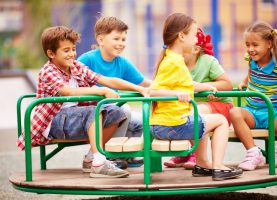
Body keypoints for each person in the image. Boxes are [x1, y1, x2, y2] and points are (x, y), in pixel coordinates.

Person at [16, 26, 148, 178]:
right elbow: (67, 91)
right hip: (53, 121)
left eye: (73, 49)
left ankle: (92, 158)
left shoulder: (75, 67)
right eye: (66, 50)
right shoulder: (48, 71)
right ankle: (99, 163)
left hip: (74, 118)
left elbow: (105, 80)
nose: (72, 54)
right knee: (95, 110)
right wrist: (101, 91)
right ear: (51, 53)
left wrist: (139, 89)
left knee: (118, 112)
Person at [149, 13, 242, 181]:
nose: (196, 39)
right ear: (181, 36)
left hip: (167, 123)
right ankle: (218, 166)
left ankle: (202, 164)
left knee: (203, 120)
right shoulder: (173, 62)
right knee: (220, 120)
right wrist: (176, 94)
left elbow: (184, 83)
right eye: (193, 34)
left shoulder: (174, 59)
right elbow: (153, 91)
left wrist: (205, 86)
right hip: (172, 125)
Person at [78, 16, 151, 168]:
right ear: (101, 40)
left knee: (142, 120)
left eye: (123, 39)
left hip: (112, 111)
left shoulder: (122, 63)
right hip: (92, 113)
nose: (121, 43)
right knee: (124, 109)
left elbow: (144, 82)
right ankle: (110, 155)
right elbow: (75, 86)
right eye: (116, 38)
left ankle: (126, 154)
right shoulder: (87, 60)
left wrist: (169, 86)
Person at [229, 21, 277, 171]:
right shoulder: (250, 59)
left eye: (255, 45)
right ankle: (253, 153)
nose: (250, 49)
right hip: (251, 112)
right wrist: (243, 81)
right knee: (234, 112)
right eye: (247, 45)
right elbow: (252, 72)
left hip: (273, 113)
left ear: (269, 43)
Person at [163, 28, 234, 170]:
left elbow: (227, 84)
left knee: (195, 111)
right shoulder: (176, 64)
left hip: (220, 107)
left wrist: (206, 87)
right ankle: (189, 153)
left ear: (195, 49)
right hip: (193, 108)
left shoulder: (208, 61)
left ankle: (197, 156)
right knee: (187, 112)